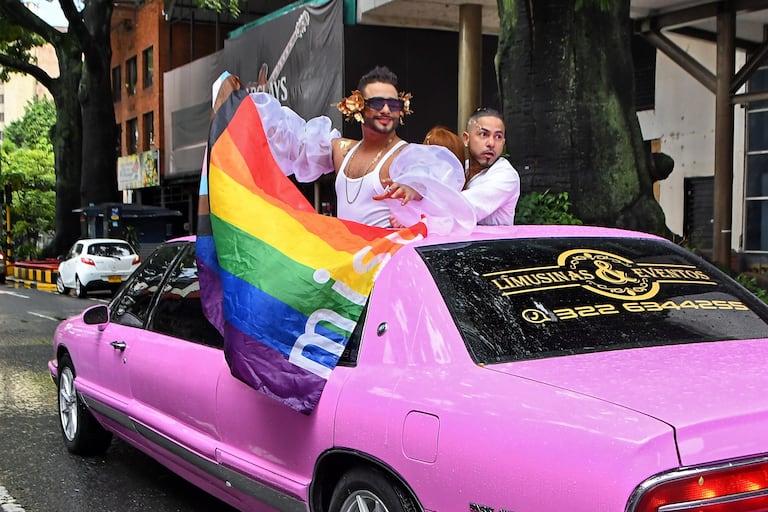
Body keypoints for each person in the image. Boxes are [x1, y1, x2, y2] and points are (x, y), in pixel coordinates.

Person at [461, 108, 520, 225]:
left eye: (498, 137)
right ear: (466, 139)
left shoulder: (505, 176)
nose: (491, 143)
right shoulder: (462, 168)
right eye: (484, 134)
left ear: (503, 142)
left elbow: (461, 209)